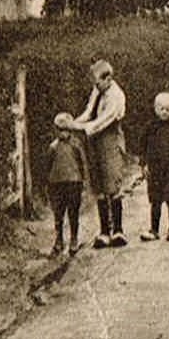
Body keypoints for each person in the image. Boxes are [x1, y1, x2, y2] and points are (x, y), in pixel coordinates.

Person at [72, 59, 130, 247]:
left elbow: (104, 121)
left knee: (112, 183)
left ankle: (118, 230)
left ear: (109, 78)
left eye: (98, 82)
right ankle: (104, 231)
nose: (95, 86)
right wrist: (75, 123)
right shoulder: (98, 91)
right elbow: (90, 112)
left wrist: (82, 128)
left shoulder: (116, 96)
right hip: (95, 141)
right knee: (98, 184)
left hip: (110, 138)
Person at [138, 92, 169, 242]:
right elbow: (142, 147)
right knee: (155, 200)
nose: (164, 112)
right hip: (154, 170)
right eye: (161, 109)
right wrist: (143, 164)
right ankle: (154, 229)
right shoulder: (150, 127)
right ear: (155, 109)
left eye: (168, 109)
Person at [44, 113, 90, 256]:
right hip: (56, 184)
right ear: (55, 130)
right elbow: (48, 165)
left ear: (71, 130)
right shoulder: (53, 147)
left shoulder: (76, 145)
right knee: (58, 214)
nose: (63, 133)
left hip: (73, 183)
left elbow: (83, 163)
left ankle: (74, 239)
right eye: (60, 130)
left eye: (66, 130)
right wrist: (47, 183)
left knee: (73, 212)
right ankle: (58, 241)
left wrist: (85, 181)